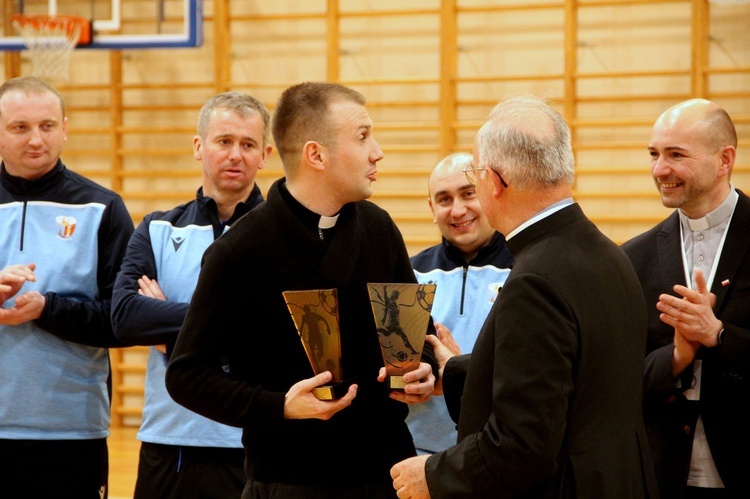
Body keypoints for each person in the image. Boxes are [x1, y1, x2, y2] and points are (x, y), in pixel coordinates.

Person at [165, 81, 438, 499]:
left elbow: (414, 344)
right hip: (288, 482)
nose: (377, 151)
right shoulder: (238, 251)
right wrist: (279, 406)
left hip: (391, 475)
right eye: (363, 137)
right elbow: (186, 376)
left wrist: (422, 372)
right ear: (316, 155)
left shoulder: (380, 229)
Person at [390, 95, 659, 498]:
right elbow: (572, 377)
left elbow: (522, 446)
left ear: (495, 182)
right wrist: (457, 371)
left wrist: (433, 474)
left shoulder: (535, 278)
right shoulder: (605, 252)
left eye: (476, 177)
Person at [110, 91, 272, 498]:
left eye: (248, 144)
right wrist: (228, 329)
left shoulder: (282, 234)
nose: (236, 154)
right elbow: (126, 316)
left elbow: (276, 329)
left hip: (253, 443)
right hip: (169, 440)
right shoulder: (157, 229)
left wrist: (170, 328)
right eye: (224, 141)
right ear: (199, 146)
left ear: (265, 155)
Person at [0, 76, 134, 498]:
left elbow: (123, 320)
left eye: (47, 125)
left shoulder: (103, 208)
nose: (36, 139)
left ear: (65, 128)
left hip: (70, 430)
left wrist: (48, 309)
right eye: (20, 127)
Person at [621, 98, 750, 499]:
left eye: (676, 154)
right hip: (664, 475)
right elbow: (620, 379)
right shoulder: (633, 257)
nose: (660, 169)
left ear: (724, 159)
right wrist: (675, 358)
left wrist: (719, 336)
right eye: (655, 154)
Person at [406, 152, 513, 454]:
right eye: (443, 199)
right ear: (431, 208)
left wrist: (458, 368)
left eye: (468, 194)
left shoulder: (525, 269)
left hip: (498, 454)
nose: (458, 210)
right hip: (421, 458)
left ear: (490, 193)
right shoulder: (409, 273)